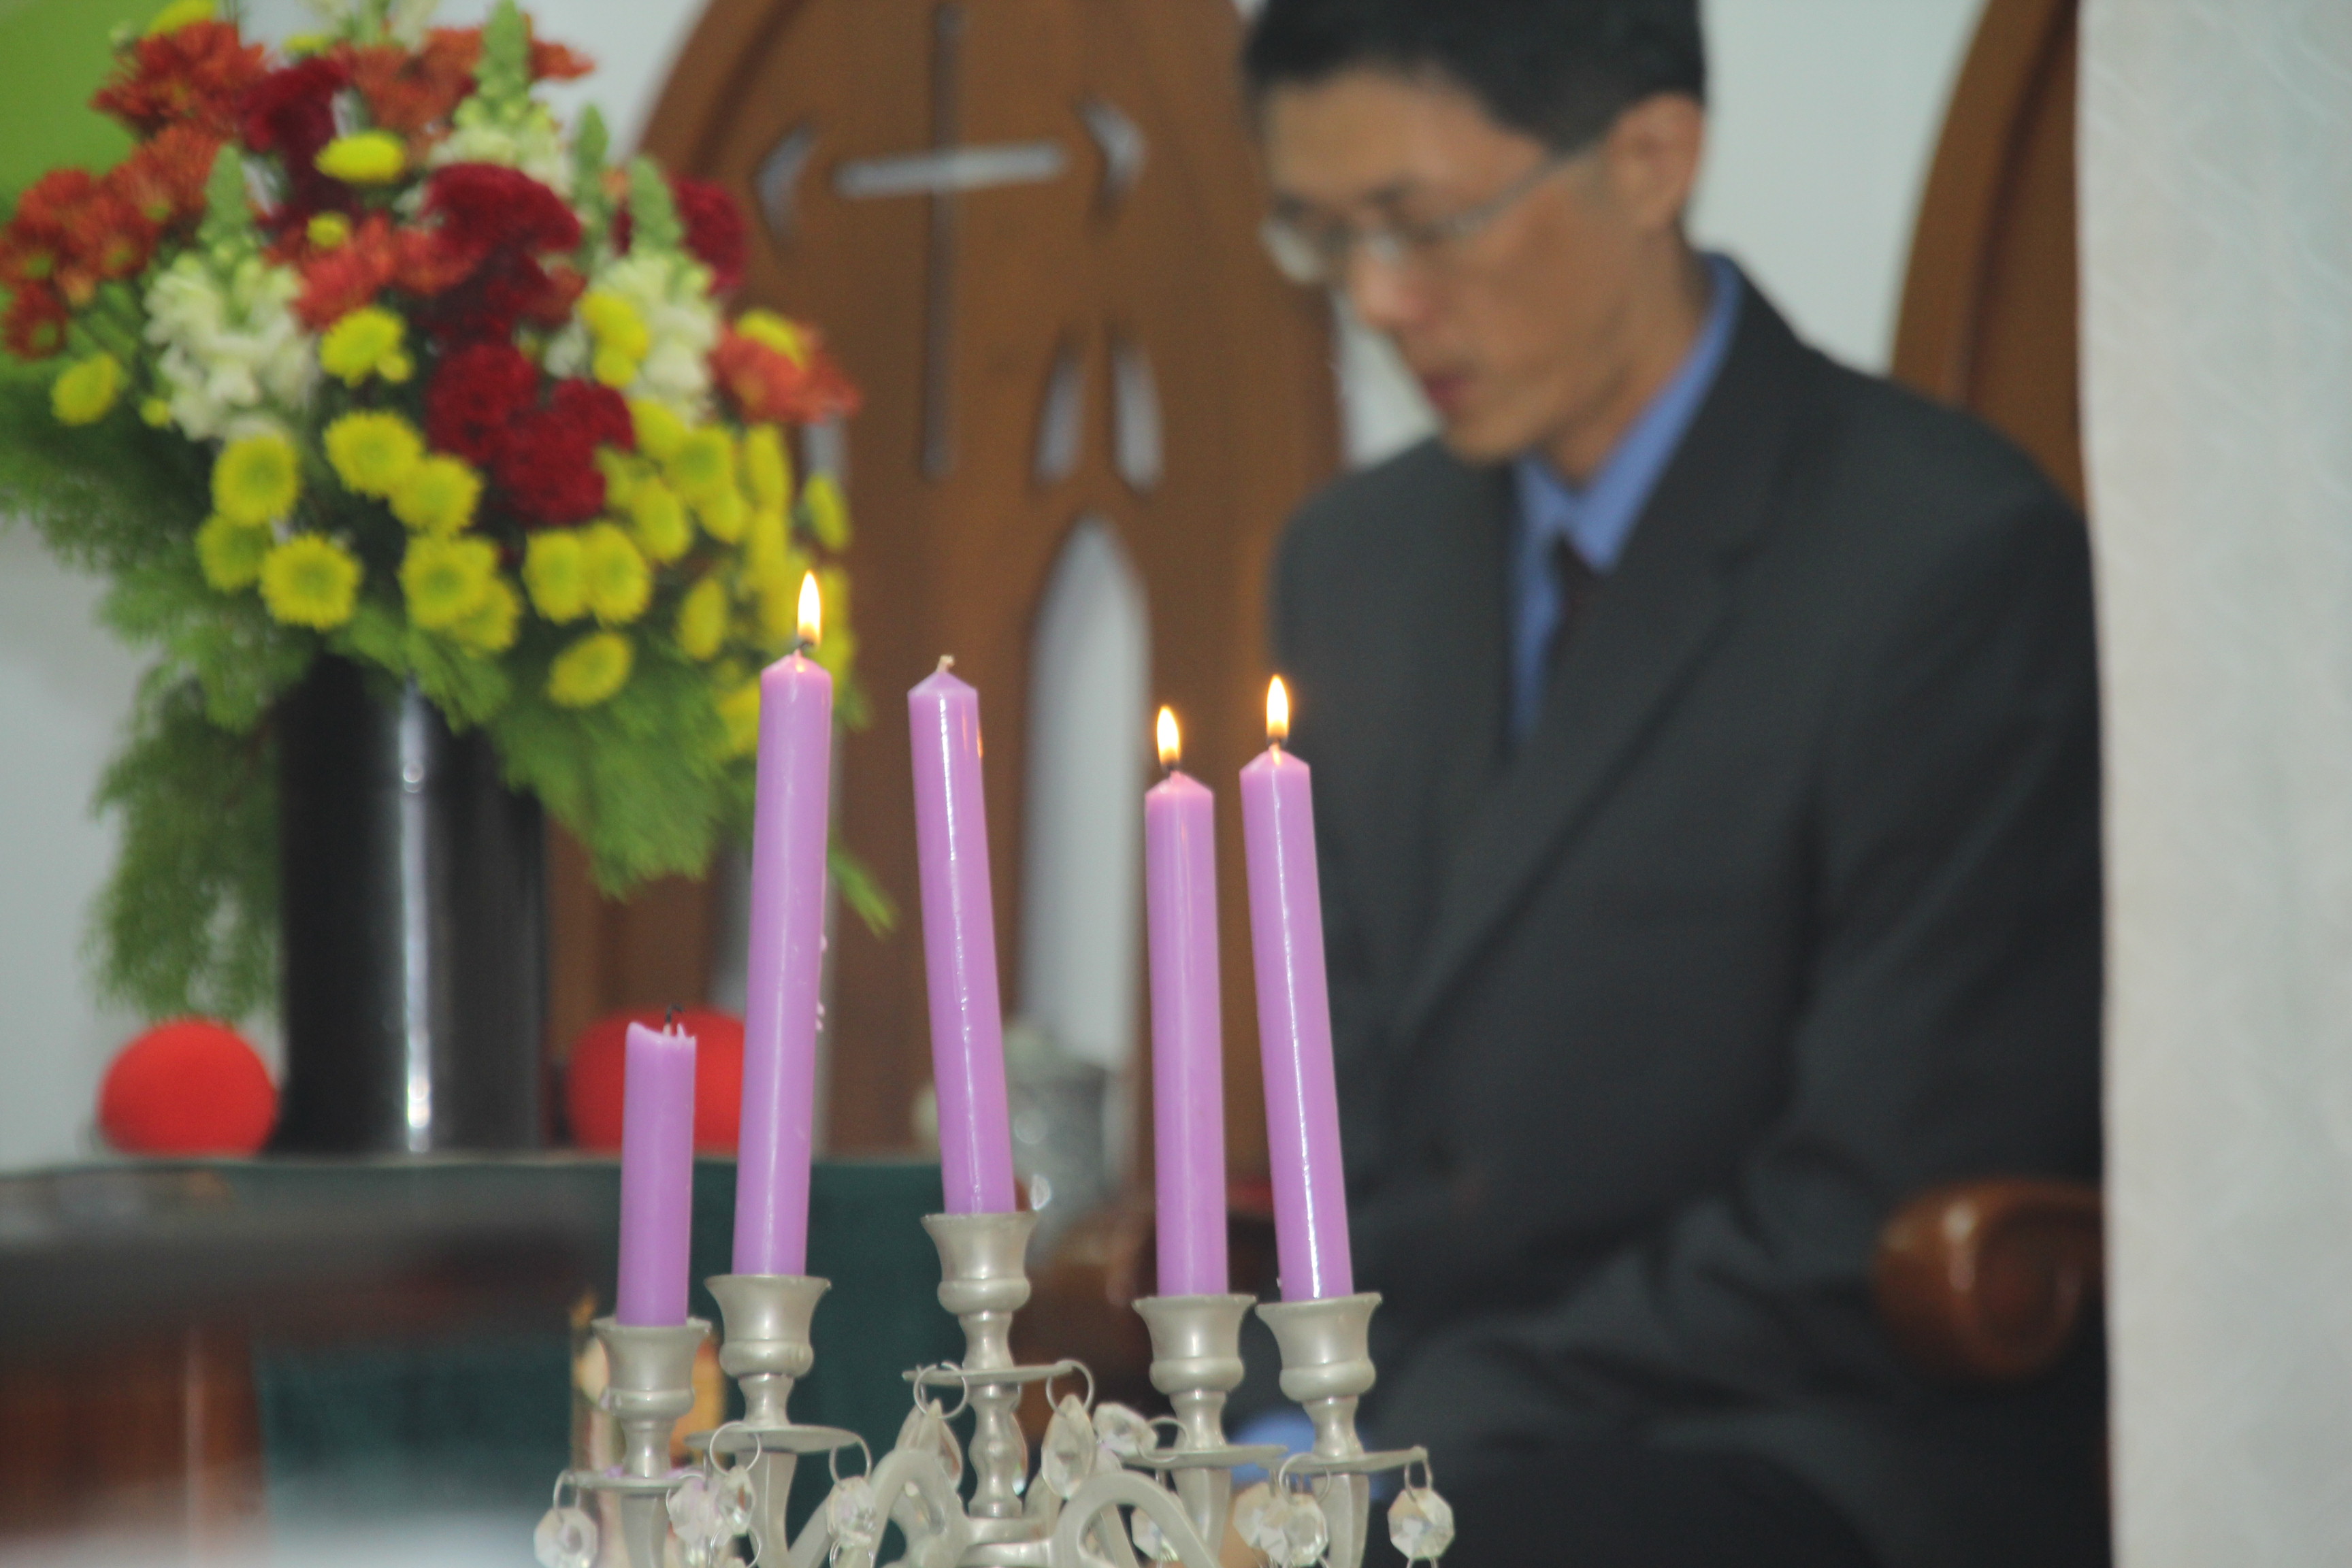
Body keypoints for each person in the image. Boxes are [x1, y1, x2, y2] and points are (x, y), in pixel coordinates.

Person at [1241, 3, 2106, 1566]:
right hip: (1428, 1411)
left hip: (1809, 1436)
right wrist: (1290, 1434)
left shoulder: (1945, 561)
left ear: (1650, 157)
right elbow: (1347, 1124)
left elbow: (1859, 1216)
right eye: (1324, 237)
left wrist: (1409, 1439)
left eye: (1421, 223)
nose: (1378, 299)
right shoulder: (1353, 562)